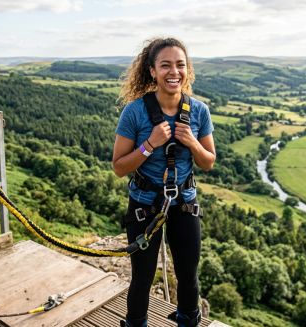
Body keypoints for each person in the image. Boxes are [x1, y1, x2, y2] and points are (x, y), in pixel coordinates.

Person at [113, 37, 216, 327]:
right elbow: (119, 167)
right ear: (152, 71)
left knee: (188, 273)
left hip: (184, 202)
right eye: (166, 65)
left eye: (180, 65)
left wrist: (192, 142)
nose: (174, 72)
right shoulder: (134, 112)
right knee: (143, 277)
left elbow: (208, 161)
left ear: (187, 70)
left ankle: (188, 320)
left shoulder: (198, 111)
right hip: (145, 204)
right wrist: (149, 144)